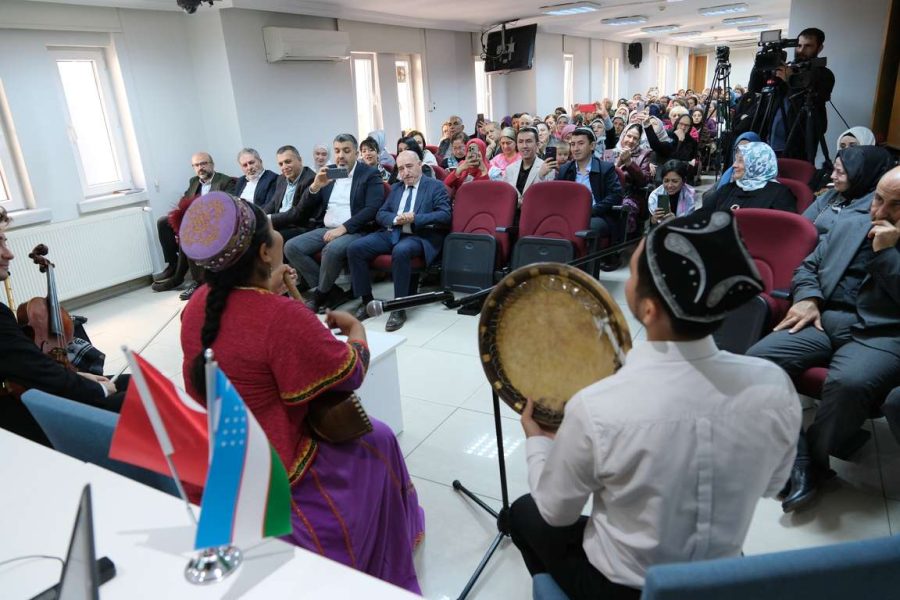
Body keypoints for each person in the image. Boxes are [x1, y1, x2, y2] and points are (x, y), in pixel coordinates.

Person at [509, 209, 801, 600]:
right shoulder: (774, 386)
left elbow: (555, 511)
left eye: (632, 273)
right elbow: (773, 485)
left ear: (648, 309)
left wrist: (538, 442)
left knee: (522, 513)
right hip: (721, 579)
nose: (628, 281)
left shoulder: (598, 407)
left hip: (627, 588)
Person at [177, 193, 424, 592]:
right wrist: (357, 331)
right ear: (265, 252)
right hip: (279, 454)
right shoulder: (280, 317)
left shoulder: (196, 306)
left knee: (377, 435)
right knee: (380, 438)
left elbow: (240, 334)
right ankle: (385, 554)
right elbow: (350, 371)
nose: (278, 235)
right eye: (272, 229)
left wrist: (267, 288)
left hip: (225, 446)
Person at [747, 166, 900, 512]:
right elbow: (807, 267)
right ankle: (798, 452)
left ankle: (814, 463)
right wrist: (808, 298)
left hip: (882, 334)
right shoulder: (851, 222)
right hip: (825, 318)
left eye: (895, 205)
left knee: (849, 384)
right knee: (756, 362)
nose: (880, 212)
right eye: (878, 199)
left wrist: (887, 254)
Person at [0, 206, 123, 446]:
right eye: (0, 243)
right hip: (13, 427)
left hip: (21, 392)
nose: (9, 254)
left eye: (5, 241)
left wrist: (78, 374)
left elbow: (26, 362)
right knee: (132, 397)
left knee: (125, 383)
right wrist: (98, 391)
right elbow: (38, 373)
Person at [348, 150, 451, 332]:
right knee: (355, 248)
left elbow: (444, 215)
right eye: (401, 168)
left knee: (401, 250)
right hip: (394, 231)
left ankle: (398, 307)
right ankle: (367, 301)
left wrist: (415, 218)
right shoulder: (396, 188)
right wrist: (396, 219)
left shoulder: (435, 186)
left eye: (409, 166)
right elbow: (381, 213)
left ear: (420, 165)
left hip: (420, 235)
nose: (405, 172)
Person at [282, 134, 383, 314]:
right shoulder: (330, 172)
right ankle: (332, 291)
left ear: (356, 153)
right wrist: (315, 187)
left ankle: (320, 295)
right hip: (327, 228)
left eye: (346, 151)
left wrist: (343, 228)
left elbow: (372, 208)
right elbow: (305, 207)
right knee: (291, 247)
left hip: (355, 229)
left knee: (332, 249)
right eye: (337, 151)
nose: (341, 156)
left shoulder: (369, 174)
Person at [152, 152, 236, 295]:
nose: (200, 168)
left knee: (189, 231)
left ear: (212, 164)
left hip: (214, 222)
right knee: (163, 222)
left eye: (203, 163)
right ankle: (173, 265)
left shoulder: (225, 181)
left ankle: (190, 280)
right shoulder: (194, 181)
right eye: (196, 165)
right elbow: (184, 202)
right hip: (194, 218)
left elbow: (227, 205)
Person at [804, 146, 895, 236]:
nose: (832, 176)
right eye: (834, 169)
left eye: (840, 172)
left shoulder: (874, 210)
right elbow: (803, 223)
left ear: (861, 175)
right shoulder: (831, 194)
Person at [557, 127, 624, 243]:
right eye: (573, 144)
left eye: (580, 143)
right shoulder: (565, 169)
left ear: (592, 146)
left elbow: (616, 195)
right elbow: (559, 197)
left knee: (582, 228)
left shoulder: (605, 168)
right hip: (570, 214)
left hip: (598, 215)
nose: (575, 149)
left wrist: (591, 210)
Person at [702, 142, 796, 213]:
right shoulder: (728, 188)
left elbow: (786, 228)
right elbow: (705, 214)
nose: (734, 165)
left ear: (757, 163)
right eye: (735, 160)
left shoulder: (780, 194)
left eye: (741, 161)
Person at [602, 124, 651, 236]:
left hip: (630, 195)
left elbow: (643, 181)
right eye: (629, 136)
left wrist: (629, 162)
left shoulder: (644, 154)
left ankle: (621, 240)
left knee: (625, 207)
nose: (631, 140)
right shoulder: (609, 153)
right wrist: (619, 162)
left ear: (639, 141)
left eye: (635, 138)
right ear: (623, 135)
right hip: (608, 193)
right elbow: (604, 177)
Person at [262, 145, 317, 242]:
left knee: (267, 239)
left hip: (299, 226)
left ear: (300, 160)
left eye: (288, 162)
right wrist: (259, 215)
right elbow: (273, 203)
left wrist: (269, 218)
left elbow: (299, 213)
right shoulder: (281, 178)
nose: (284, 167)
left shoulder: (311, 179)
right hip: (280, 223)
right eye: (281, 164)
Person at [504, 127, 556, 203]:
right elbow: (506, 195)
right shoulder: (510, 169)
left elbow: (545, 196)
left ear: (537, 144)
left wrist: (540, 176)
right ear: (517, 145)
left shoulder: (547, 168)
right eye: (520, 142)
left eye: (528, 141)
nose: (524, 146)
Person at [647, 160, 698, 225]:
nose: (670, 185)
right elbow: (652, 224)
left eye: (675, 181)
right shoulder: (656, 195)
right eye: (666, 181)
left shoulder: (689, 195)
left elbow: (690, 223)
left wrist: (675, 221)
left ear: (684, 181)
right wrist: (654, 219)